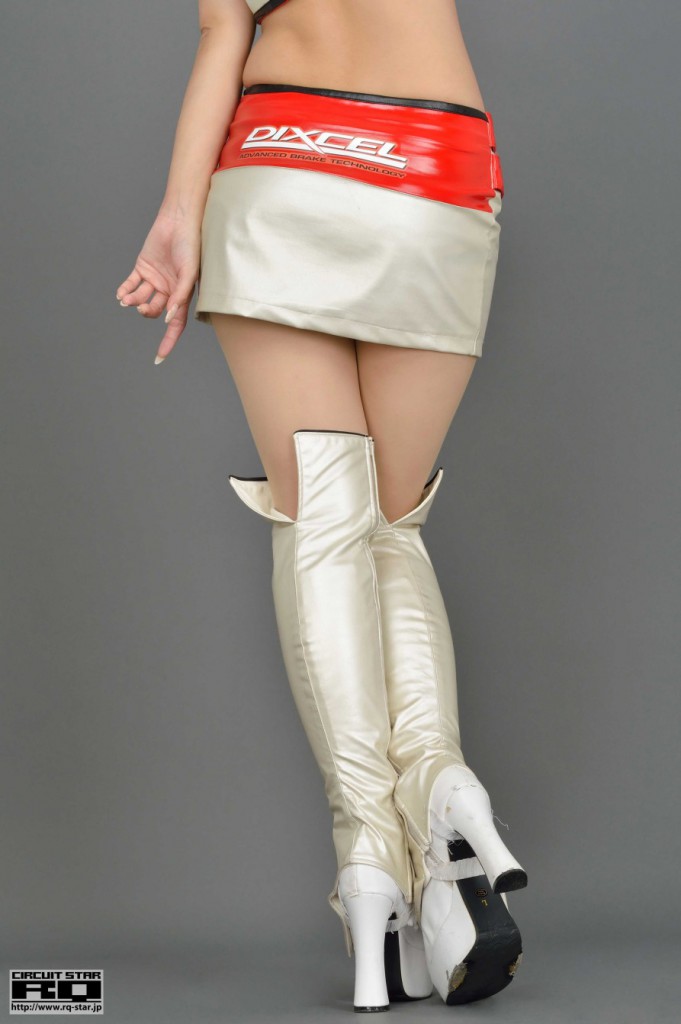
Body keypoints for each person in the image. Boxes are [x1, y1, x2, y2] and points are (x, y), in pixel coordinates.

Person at [116, 0, 527, 1011]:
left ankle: (371, 855)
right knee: (387, 526)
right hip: (433, 169)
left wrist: (178, 213)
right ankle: (440, 791)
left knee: (330, 524)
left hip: (281, 162)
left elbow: (223, 34)